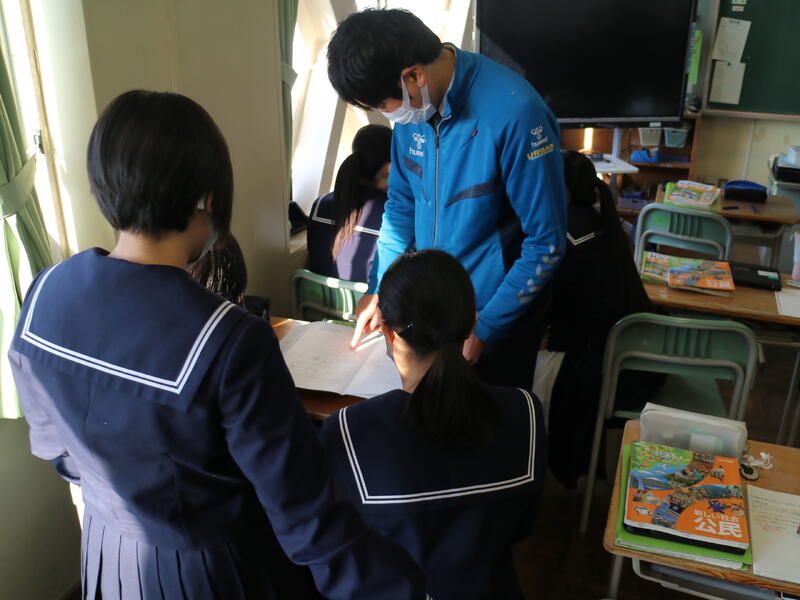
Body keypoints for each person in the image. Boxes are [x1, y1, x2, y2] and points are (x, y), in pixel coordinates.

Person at [7, 90, 425, 599]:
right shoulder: (228, 338)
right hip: (207, 571)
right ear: (208, 197)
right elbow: (305, 516)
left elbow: (56, 449)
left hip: (106, 550)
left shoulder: (44, 293)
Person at [327, 9, 567, 390]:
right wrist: (378, 290)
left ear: (413, 77)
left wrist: (487, 325)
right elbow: (400, 209)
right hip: (433, 308)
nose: (387, 116)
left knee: (492, 418)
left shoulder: (516, 114)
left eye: (382, 106)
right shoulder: (412, 114)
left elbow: (546, 242)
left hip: (494, 312)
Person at [319, 249, 546, 600]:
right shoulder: (526, 412)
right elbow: (521, 527)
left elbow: (341, 545)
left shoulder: (349, 430)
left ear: (388, 332)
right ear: (472, 324)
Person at [535, 150, 662, 487]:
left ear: (560, 188)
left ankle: (524, 462)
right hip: (632, 361)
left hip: (603, 370)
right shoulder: (598, 220)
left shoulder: (565, 232)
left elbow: (566, 312)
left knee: (512, 369)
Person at [307, 124, 392, 282]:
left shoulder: (320, 205)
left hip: (318, 297)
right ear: (389, 167)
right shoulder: (392, 214)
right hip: (370, 298)